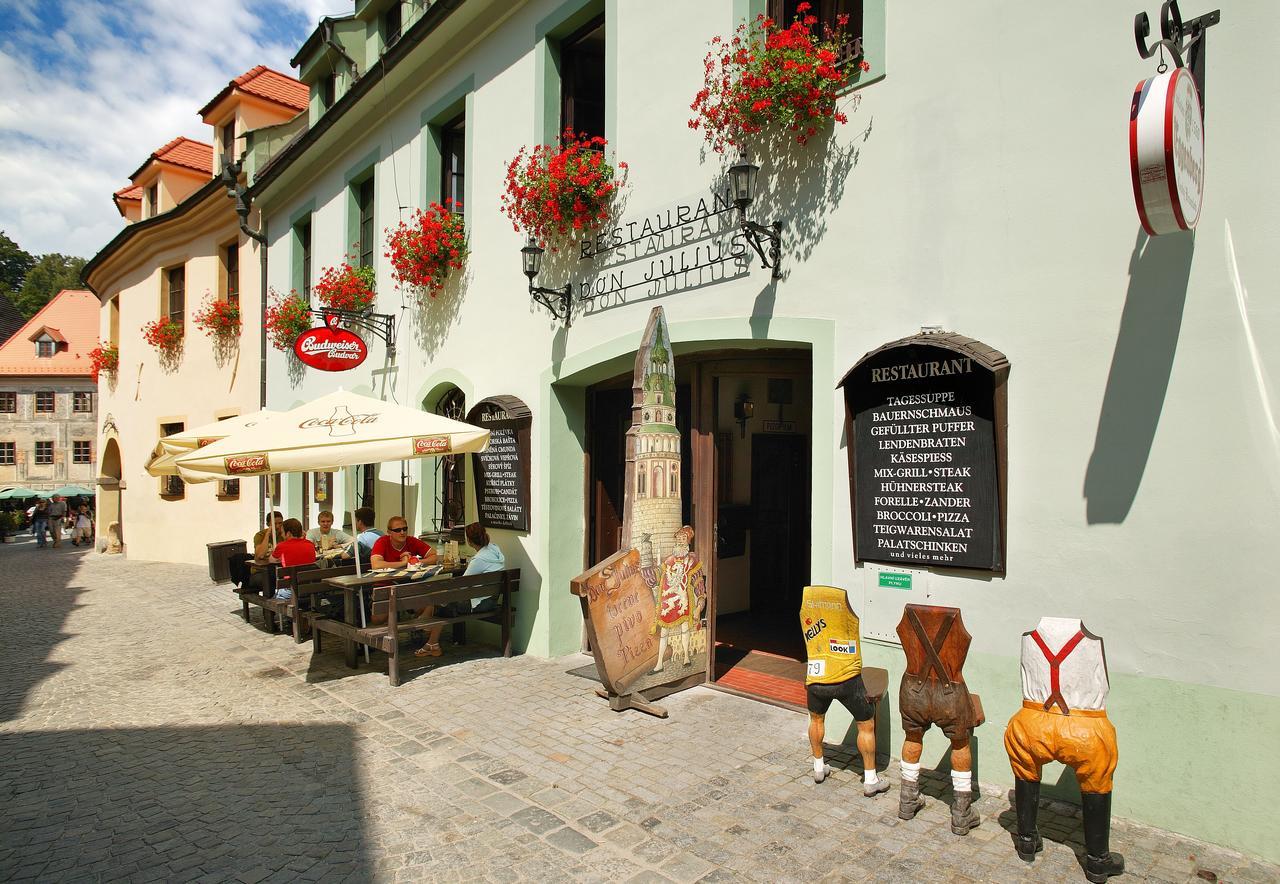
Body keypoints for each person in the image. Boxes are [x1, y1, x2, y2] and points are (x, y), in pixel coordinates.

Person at [800, 584, 888, 798]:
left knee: (816, 721)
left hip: (816, 675)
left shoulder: (807, 602)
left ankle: (819, 767)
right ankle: (870, 779)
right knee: (866, 725)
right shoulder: (840, 600)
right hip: (847, 676)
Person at [416, 523, 506, 658]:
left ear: (469, 541)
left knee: (439, 601)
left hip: (480, 604)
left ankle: (429, 635)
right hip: (491, 600)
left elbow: (461, 586)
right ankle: (427, 628)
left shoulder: (478, 560)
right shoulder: (494, 549)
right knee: (440, 599)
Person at [369, 516, 436, 631]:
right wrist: (403, 563)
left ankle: (420, 631)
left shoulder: (411, 541)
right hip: (385, 586)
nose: (402, 532)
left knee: (430, 600)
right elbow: (376, 564)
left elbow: (433, 556)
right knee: (378, 619)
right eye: (397, 530)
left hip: (407, 586)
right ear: (389, 532)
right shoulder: (382, 541)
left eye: (405, 529)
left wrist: (414, 561)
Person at [270, 519, 317, 601]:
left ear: (288, 533)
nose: (281, 535)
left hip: (291, 589)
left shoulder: (282, 546)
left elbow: (271, 560)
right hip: (309, 588)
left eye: (282, 532)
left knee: (273, 599)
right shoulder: (310, 544)